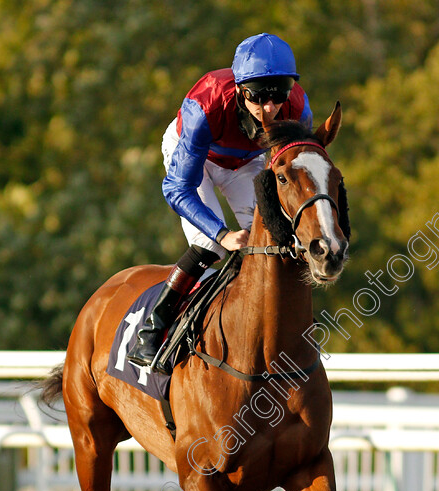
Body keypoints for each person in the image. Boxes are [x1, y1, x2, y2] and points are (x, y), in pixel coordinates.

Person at [127, 33, 312, 372]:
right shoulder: (206, 104)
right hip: (196, 158)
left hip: (246, 162)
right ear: (242, 90)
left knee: (269, 240)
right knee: (209, 244)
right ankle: (152, 333)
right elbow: (177, 188)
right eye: (259, 96)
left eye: (279, 94)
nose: (270, 107)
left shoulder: (298, 109)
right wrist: (223, 233)